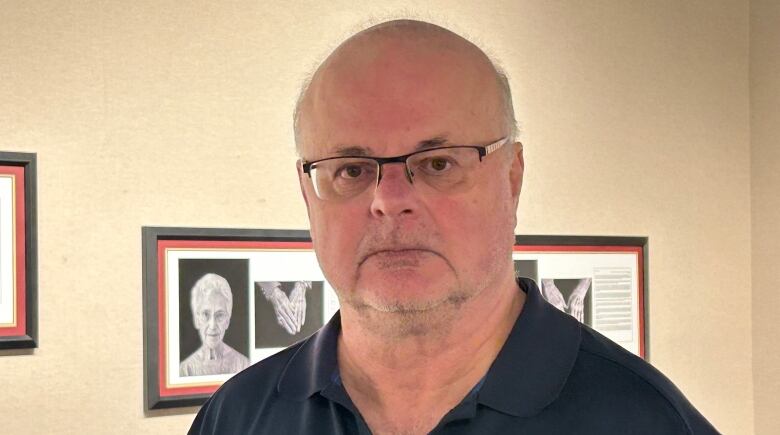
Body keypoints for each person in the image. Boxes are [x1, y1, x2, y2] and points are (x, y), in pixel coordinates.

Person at [189, 19, 718, 434]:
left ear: (512, 179)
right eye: (351, 170)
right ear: (308, 195)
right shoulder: (236, 417)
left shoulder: (647, 421)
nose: (389, 201)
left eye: (438, 162)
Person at [180, 273, 249, 376]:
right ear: (197, 319)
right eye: (205, 314)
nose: (212, 325)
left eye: (220, 315)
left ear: (227, 321)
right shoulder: (185, 370)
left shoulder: (244, 365)